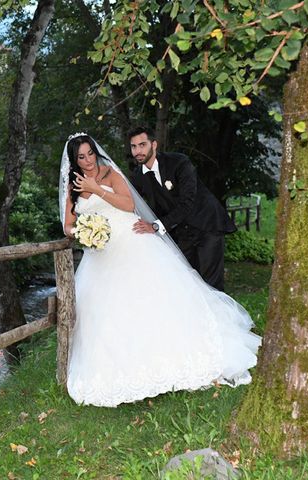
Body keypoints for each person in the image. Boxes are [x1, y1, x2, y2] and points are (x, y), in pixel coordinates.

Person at [59, 133, 260, 408]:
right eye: (81, 157)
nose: (88, 160)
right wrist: (82, 231)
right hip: (101, 252)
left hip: (131, 241)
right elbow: (67, 225)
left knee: (154, 298)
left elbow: (128, 205)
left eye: (90, 154)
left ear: (96, 152)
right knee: (107, 308)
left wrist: (96, 188)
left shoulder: (110, 173)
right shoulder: (73, 186)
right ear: (75, 160)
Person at [128, 126, 236, 291]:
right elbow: (129, 202)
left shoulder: (179, 162)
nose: (138, 151)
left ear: (154, 145)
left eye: (142, 145)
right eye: (134, 147)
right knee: (187, 282)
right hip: (179, 233)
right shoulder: (137, 176)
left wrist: (156, 226)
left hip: (206, 225)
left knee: (211, 284)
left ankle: (218, 316)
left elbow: (187, 202)